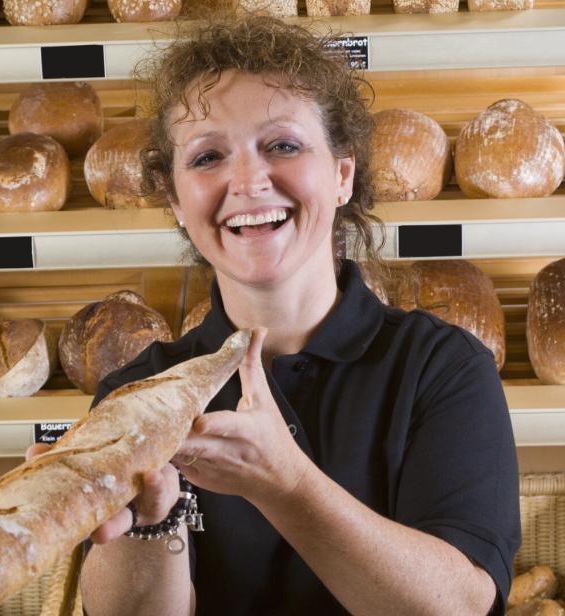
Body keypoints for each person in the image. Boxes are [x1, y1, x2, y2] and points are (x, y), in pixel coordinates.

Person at [53, 16, 521, 615]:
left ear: (343, 175)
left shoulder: (441, 369)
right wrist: (151, 518)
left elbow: (460, 607)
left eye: (283, 145)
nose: (247, 180)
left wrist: (286, 484)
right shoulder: (139, 395)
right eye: (206, 157)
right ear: (175, 200)